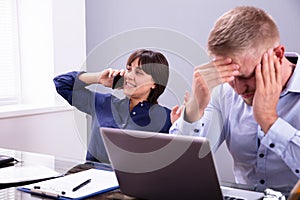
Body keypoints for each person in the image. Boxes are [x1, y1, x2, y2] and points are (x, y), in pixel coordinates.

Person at [170, 6, 300, 193]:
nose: (238, 89)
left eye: (246, 76)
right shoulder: (223, 91)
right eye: (230, 76)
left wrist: (269, 120)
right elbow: (181, 168)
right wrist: (194, 110)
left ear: (277, 55)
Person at [54, 49, 172, 163]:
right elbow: (61, 83)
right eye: (129, 69)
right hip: (92, 177)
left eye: (138, 73)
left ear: (155, 83)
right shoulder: (103, 103)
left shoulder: (166, 117)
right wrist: (99, 78)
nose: (129, 76)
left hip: (132, 181)